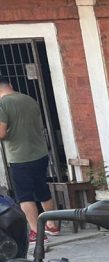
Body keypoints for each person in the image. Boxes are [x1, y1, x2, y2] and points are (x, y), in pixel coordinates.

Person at [0, 78, 58, 246]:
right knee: (42, 189)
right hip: (40, 153)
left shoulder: (3, 105)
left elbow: (2, 133)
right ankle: (52, 224)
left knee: (24, 195)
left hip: (20, 156)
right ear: (10, 85)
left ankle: (36, 232)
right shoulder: (29, 99)